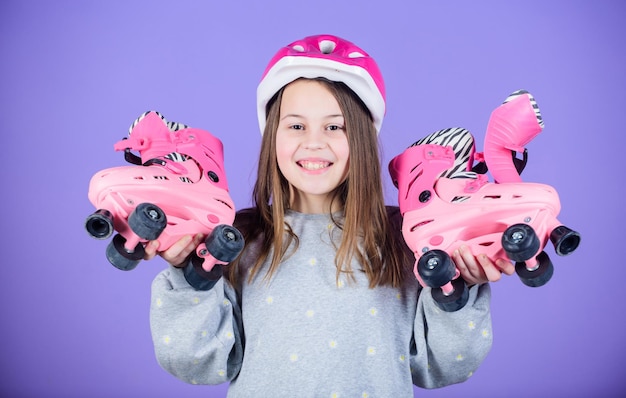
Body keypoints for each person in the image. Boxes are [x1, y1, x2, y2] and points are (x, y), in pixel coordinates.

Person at [144, 34, 515, 397]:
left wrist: (456, 289)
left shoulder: (411, 238)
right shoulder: (234, 240)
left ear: (363, 139)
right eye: (296, 126)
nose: (314, 142)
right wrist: (192, 280)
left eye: (334, 126)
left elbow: (444, 366)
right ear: (273, 136)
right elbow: (197, 363)